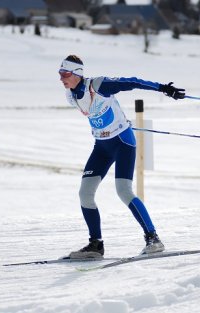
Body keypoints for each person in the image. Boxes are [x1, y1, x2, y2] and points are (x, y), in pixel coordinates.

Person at [59, 55, 185, 258]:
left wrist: (163, 88)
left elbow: (132, 82)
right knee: (85, 193)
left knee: (123, 191)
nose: (61, 78)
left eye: (65, 73)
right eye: (60, 73)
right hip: (101, 147)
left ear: (77, 74)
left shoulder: (99, 85)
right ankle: (96, 244)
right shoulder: (70, 96)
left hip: (123, 143)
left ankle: (153, 238)